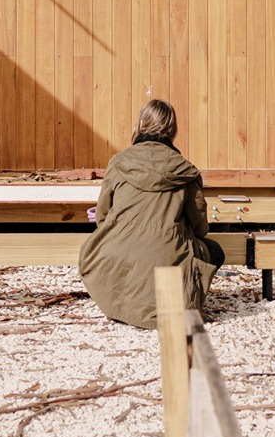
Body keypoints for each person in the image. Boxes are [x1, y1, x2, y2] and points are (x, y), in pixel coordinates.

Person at [77, 100, 223, 329]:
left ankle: (123, 305)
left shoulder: (118, 163)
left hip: (120, 254)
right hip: (167, 257)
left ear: (141, 123)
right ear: (172, 130)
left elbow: (103, 217)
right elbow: (200, 229)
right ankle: (181, 299)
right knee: (215, 252)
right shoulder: (186, 170)